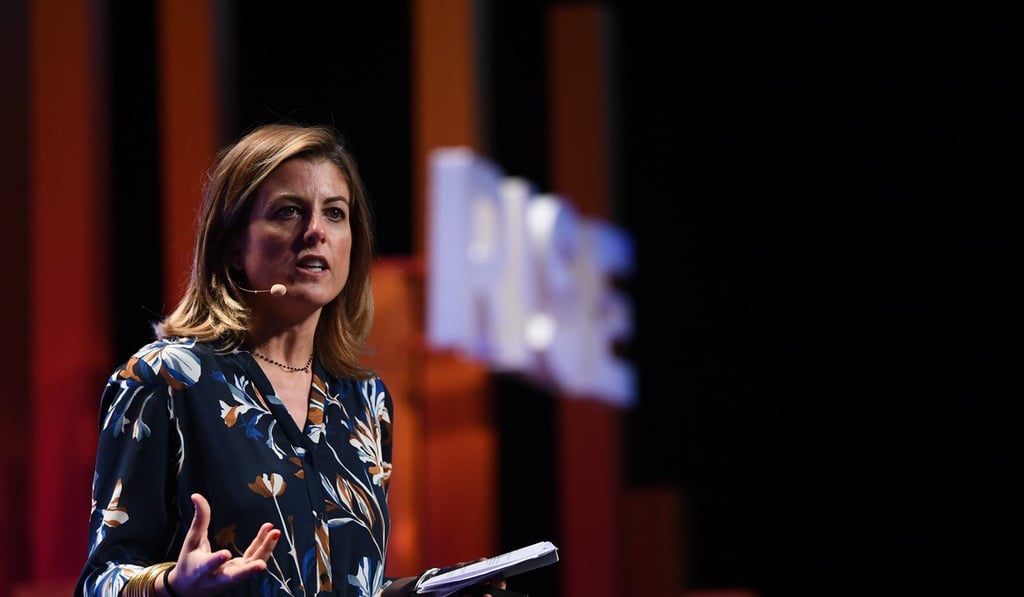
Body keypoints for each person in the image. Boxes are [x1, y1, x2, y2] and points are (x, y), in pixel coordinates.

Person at [75, 123, 510, 596]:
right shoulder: (165, 378)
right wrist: (172, 586)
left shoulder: (365, 401)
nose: (316, 232)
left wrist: (428, 591)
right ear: (233, 246)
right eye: (288, 212)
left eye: (335, 213)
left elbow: (344, 582)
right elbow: (103, 579)